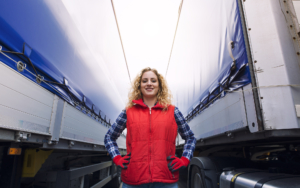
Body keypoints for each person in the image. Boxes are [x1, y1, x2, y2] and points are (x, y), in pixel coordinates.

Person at [104, 67, 196, 188]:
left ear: (159, 85)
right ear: (139, 85)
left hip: (166, 179)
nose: (149, 83)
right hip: (133, 180)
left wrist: (184, 159)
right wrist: (117, 158)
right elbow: (109, 137)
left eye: (153, 80)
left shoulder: (172, 111)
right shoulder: (128, 112)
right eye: (144, 81)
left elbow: (190, 137)